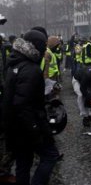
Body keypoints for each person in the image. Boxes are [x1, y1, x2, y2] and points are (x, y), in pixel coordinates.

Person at [2, 30, 59, 185]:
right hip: (28, 126)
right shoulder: (31, 69)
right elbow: (22, 104)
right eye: (44, 45)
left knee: (23, 162)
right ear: (38, 46)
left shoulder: (15, 62)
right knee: (50, 155)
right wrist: (35, 129)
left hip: (14, 126)